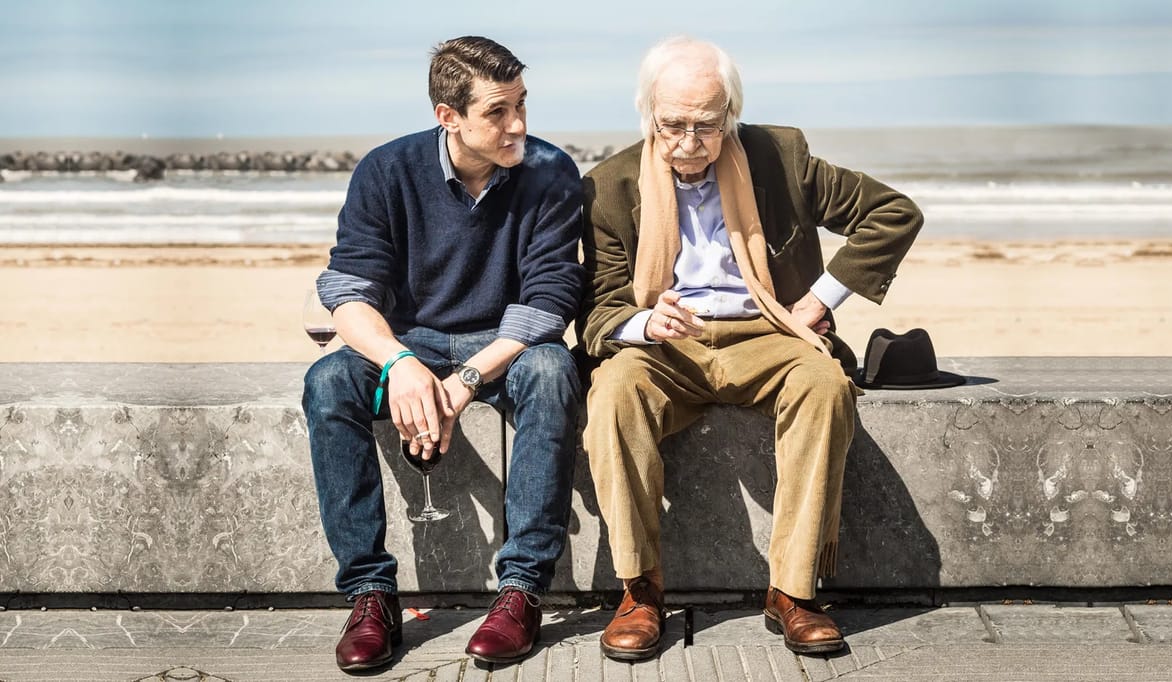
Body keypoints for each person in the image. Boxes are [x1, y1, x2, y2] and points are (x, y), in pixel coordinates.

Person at [578, 36, 923, 661]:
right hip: (667, 345)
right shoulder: (608, 185)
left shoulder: (780, 157)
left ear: (730, 114)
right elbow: (600, 309)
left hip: (768, 331)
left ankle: (792, 592)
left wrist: (818, 302)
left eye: (706, 126)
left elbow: (892, 214)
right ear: (647, 113)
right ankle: (639, 588)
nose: (687, 142)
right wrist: (644, 323)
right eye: (672, 125)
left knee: (825, 387)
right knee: (612, 395)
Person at [302, 36, 584, 672]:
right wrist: (401, 364)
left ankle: (520, 592)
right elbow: (348, 289)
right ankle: (371, 595)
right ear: (447, 116)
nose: (518, 125)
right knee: (328, 383)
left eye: (521, 104)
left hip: (508, 347)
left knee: (554, 367)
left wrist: (464, 379)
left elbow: (551, 296)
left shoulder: (550, 171)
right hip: (411, 342)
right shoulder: (386, 170)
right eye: (497, 111)